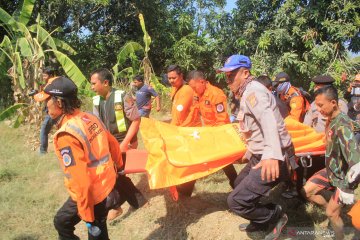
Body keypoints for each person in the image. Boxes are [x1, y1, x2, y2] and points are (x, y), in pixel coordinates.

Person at [34, 76, 122, 240]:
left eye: (47, 101)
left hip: (92, 193)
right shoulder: (88, 117)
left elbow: (81, 182)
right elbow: (113, 144)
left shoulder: (67, 135)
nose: (45, 107)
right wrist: (119, 169)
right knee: (68, 223)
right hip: (105, 184)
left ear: (59, 103)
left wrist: (87, 214)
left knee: (63, 223)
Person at [218, 55, 295, 240]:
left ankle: (274, 215)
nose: (228, 80)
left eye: (231, 75)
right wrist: (251, 150)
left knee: (236, 201)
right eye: (226, 76)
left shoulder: (254, 93)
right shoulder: (247, 92)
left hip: (276, 156)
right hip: (261, 153)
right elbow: (256, 128)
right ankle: (259, 219)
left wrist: (271, 156)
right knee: (238, 185)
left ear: (245, 73)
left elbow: (269, 123)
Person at [301, 85, 360, 239]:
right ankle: (333, 209)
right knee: (306, 192)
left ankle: (337, 230)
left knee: (331, 214)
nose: (318, 109)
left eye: (321, 105)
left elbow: (356, 162)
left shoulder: (342, 126)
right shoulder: (331, 119)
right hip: (331, 169)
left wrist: (347, 188)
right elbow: (356, 125)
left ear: (333, 103)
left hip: (343, 176)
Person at [90, 68, 146, 220]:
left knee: (116, 173)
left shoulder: (123, 96)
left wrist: (125, 143)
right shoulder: (96, 101)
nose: (91, 87)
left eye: (94, 83)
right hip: (109, 143)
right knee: (113, 173)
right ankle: (135, 201)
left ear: (106, 83)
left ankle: (118, 205)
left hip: (125, 141)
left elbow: (136, 120)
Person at [187, 70, 237, 188]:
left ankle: (238, 186)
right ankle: (186, 188)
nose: (193, 91)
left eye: (194, 87)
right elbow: (193, 112)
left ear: (202, 82)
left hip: (220, 133)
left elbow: (222, 119)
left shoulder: (216, 94)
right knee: (200, 158)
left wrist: (214, 137)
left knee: (224, 162)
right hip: (209, 132)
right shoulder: (197, 94)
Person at [167, 64, 200, 197]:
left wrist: (168, 132)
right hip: (181, 131)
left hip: (188, 131)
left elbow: (179, 115)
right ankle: (185, 189)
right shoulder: (175, 89)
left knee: (188, 162)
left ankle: (186, 190)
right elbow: (175, 114)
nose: (171, 81)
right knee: (185, 161)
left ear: (181, 76)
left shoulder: (186, 90)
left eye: (174, 78)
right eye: (169, 78)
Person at [38, 67, 56, 154]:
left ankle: (42, 152)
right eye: (43, 75)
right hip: (55, 111)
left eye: (45, 75)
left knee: (44, 131)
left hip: (52, 112)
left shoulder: (50, 85)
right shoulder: (54, 83)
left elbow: (44, 97)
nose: (43, 77)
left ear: (51, 75)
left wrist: (36, 95)